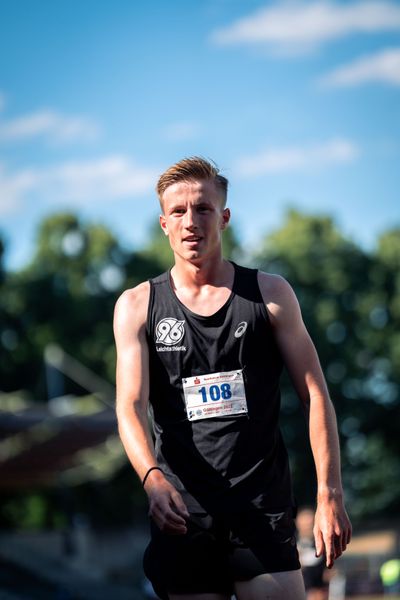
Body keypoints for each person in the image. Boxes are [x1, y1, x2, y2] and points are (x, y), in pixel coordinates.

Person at [114, 157, 352, 600]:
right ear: (163, 223)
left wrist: (330, 493)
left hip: (262, 505)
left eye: (203, 209)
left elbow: (315, 396)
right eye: (179, 212)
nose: (191, 222)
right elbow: (129, 405)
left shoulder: (271, 294)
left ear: (224, 218)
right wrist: (152, 478)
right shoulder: (136, 306)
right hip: (184, 510)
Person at [297, 507, 330, 600]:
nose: (307, 527)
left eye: (309, 524)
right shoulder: (291, 544)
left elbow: (329, 572)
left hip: (319, 590)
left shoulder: (324, 545)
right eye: (304, 524)